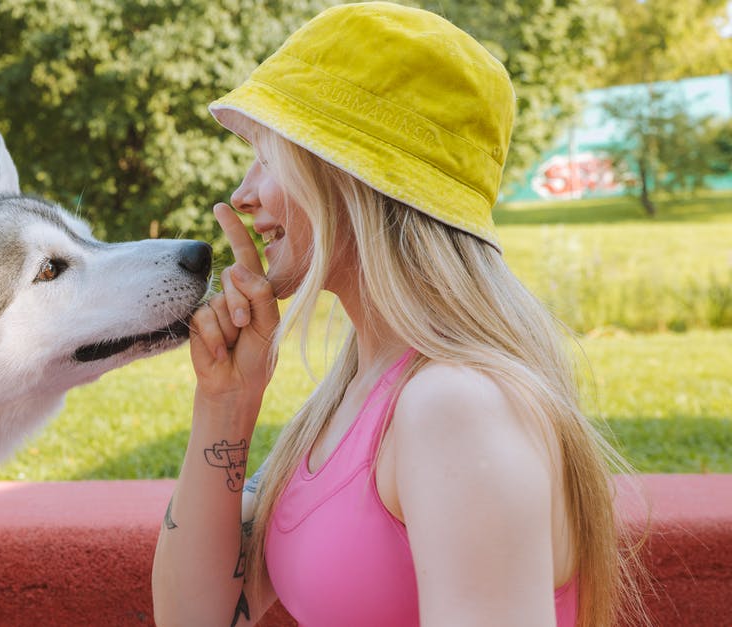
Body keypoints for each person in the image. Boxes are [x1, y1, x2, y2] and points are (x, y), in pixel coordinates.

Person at [151, 3, 642, 626]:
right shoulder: (357, 392)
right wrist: (227, 402)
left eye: (268, 157)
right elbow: (194, 618)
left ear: (348, 178)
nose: (243, 195)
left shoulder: (453, 406)